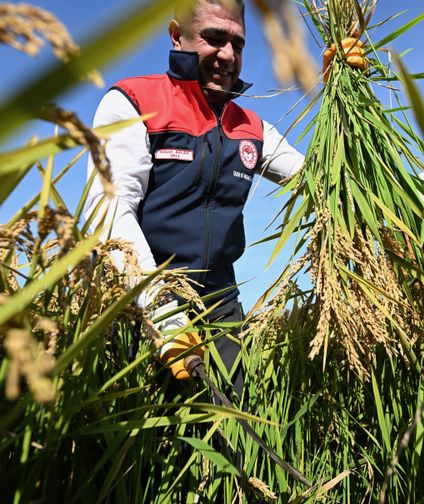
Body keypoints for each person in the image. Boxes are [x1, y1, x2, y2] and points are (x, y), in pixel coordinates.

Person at [83, 0, 365, 397]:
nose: (228, 55)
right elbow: (109, 210)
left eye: (238, 44)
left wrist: (343, 96)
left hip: (219, 302)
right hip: (138, 294)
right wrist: (161, 309)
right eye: (214, 39)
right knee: (137, 434)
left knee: (230, 427)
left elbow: (323, 182)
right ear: (177, 35)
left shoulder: (252, 127)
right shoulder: (134, 102)